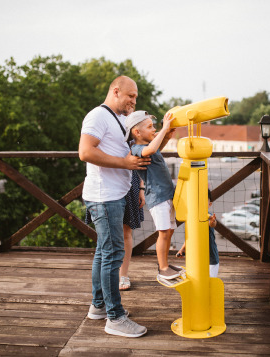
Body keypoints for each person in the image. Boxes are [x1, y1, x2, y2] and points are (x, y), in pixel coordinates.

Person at [79, 75, 150, 338]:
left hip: (114, 195)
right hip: (103, 197)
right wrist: (125, 165)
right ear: (116, 91)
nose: (134, 100)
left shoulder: (120, 119)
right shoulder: (97, 116)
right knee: (112, 254)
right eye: (131, 96)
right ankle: (115, 317)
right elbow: (85, 152)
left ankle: (98, 306)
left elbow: (134, 151)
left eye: (136, 97)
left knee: (103, 252)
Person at [125, 110, 180, 280]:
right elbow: (150, 150)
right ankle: (162, 268)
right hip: (158, 197)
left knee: (169, 231)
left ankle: (165, 263)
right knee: (163, 232)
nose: (154, 129)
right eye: (150, 127)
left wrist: (166, 136)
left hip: (167, 194)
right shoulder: (136, 148)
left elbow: (155, 149)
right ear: (137, 132)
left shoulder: (148, 146)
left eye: (155, 127)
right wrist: (164, 129)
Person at [176, 189, 220, 277]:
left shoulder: (208, 216)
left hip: (210, 259)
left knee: (209, 281)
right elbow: (190, 237)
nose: (200, 204)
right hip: (196, 258)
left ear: (209, 204)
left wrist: (212, 221)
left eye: (204, 201)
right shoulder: (191, 217)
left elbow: (212, 224)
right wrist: (183, 248)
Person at [119, 173, 145, 291]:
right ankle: (109, 274)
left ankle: (123, 274)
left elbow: (141, 163)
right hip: (106, 185)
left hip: (131, 184)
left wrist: (141, 188)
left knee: (126, 231)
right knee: (106, 233)